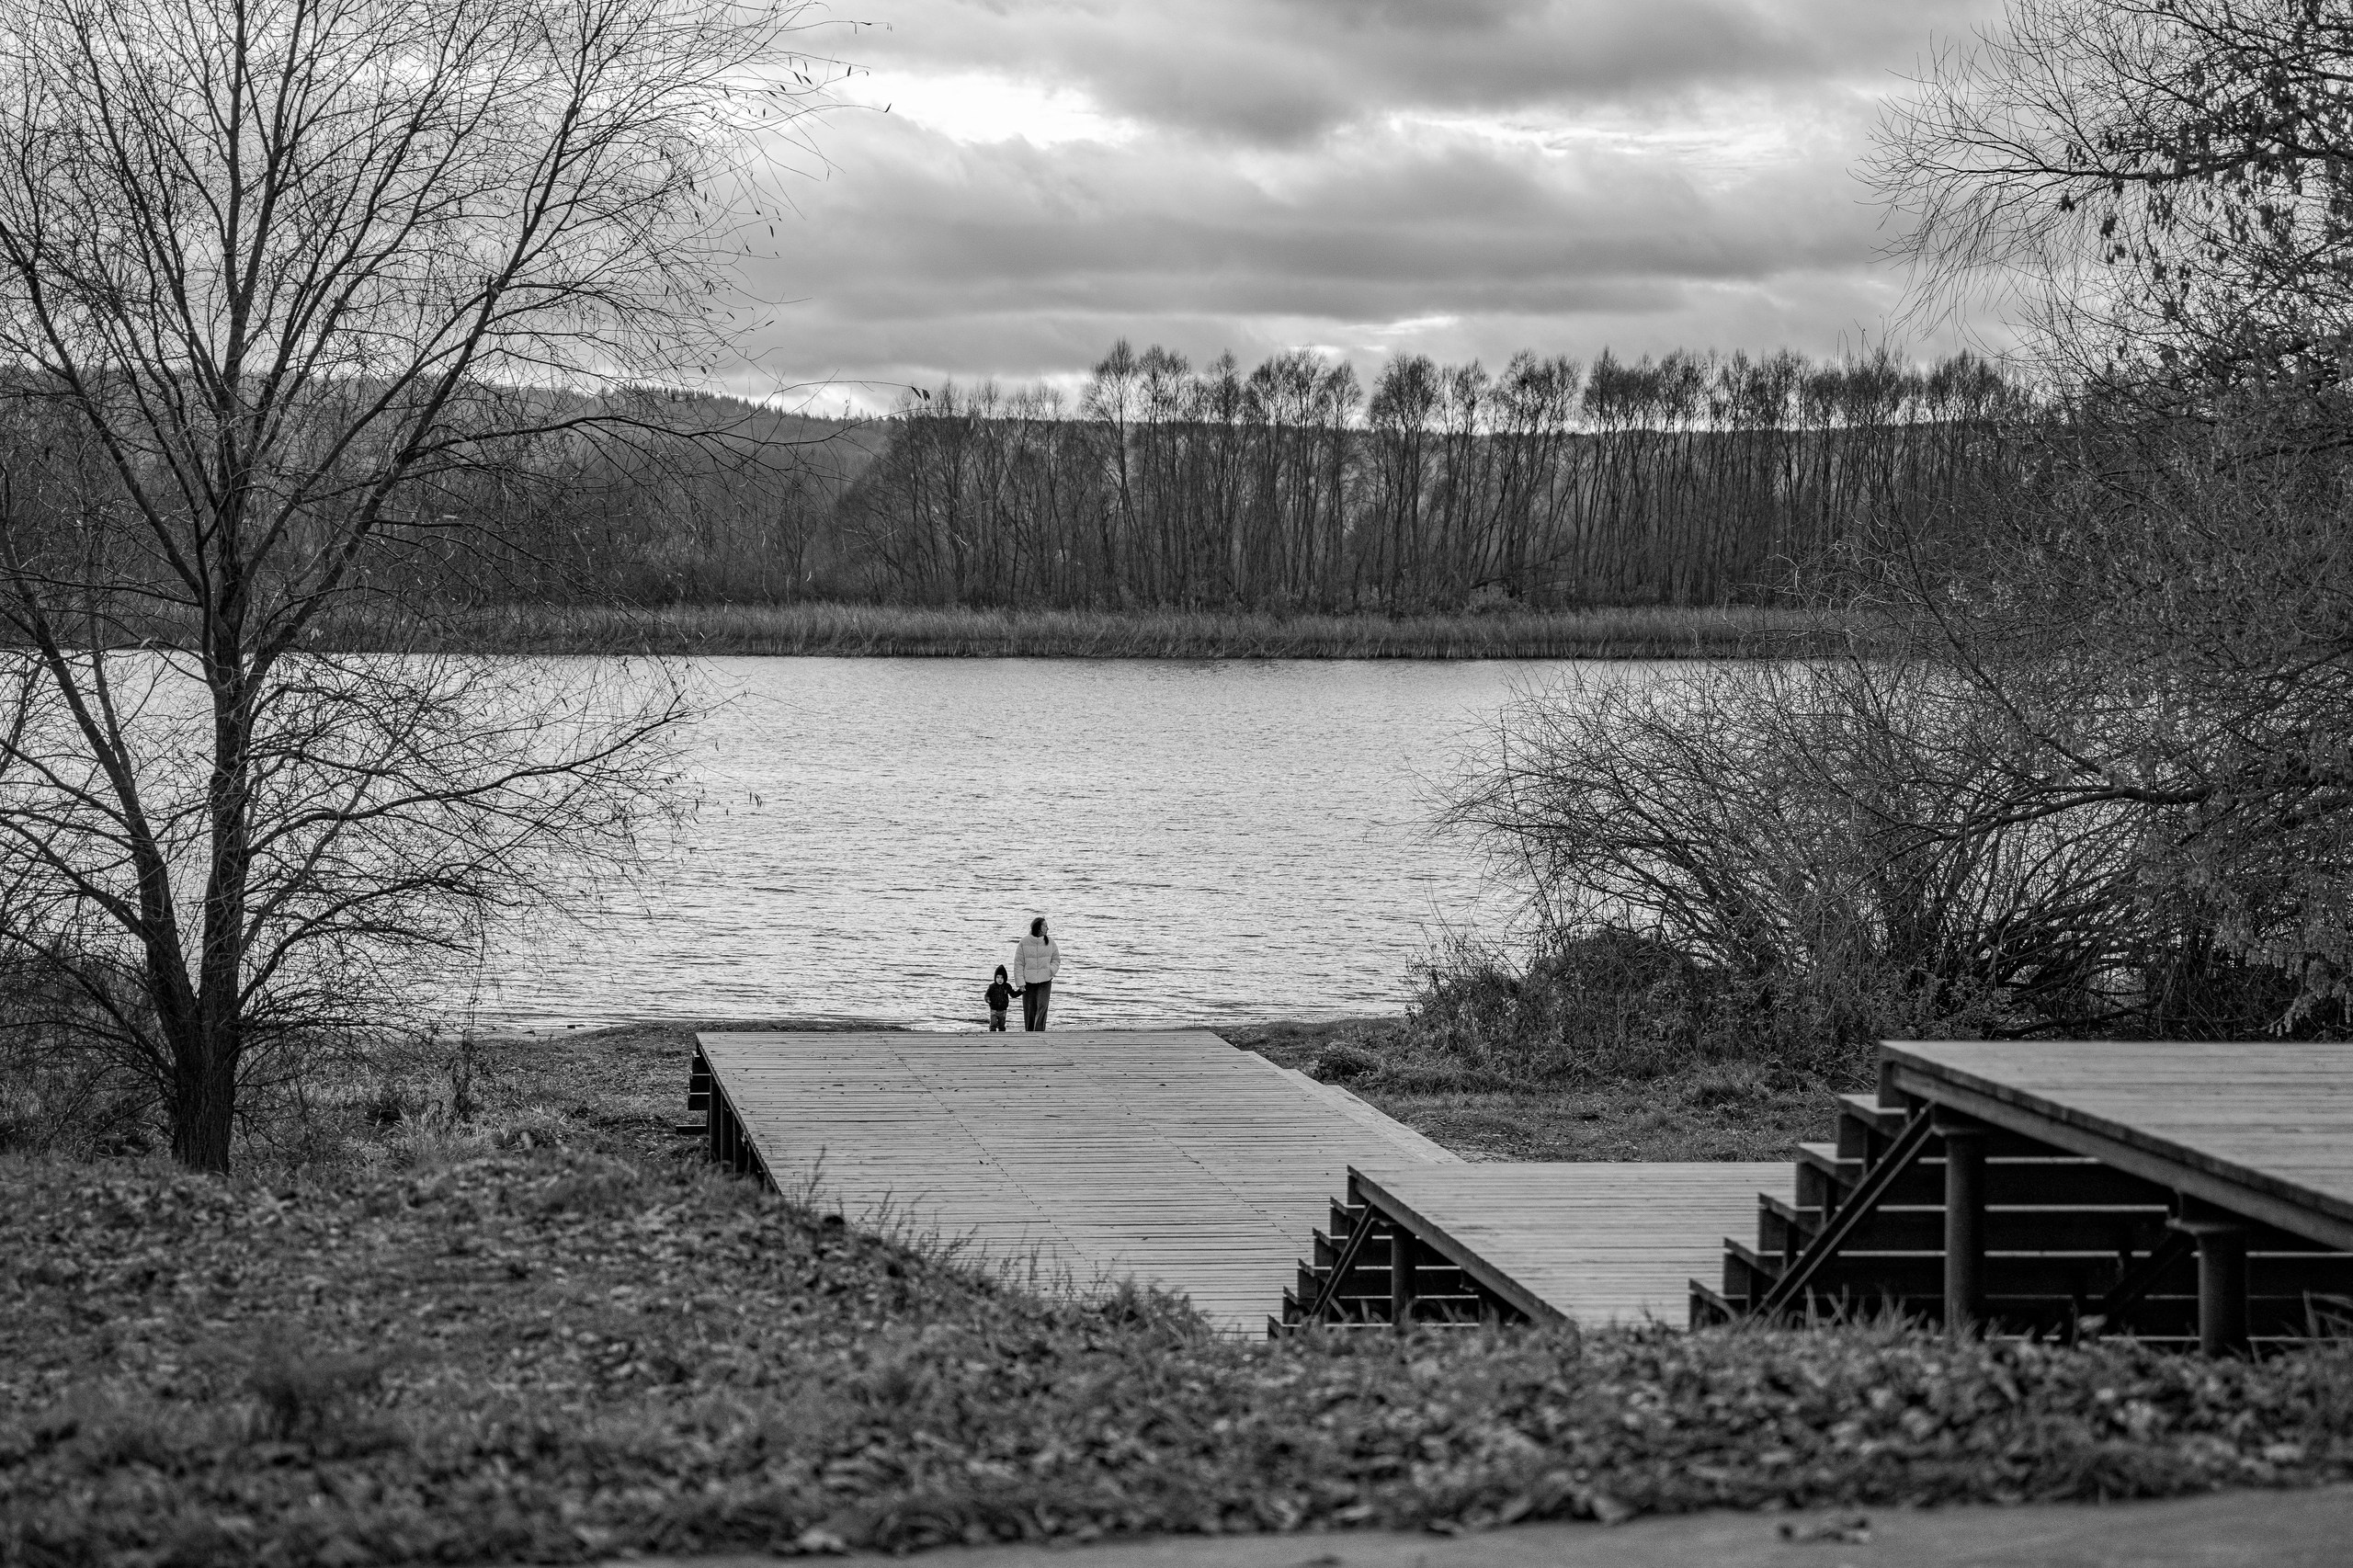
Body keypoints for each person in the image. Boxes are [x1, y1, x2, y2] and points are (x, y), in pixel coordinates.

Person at [1010, 916, 1059, 1030]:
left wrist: (1051, 970)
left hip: (1045, 980)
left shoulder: (1050, 942)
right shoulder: (1024, 942)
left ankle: (1039, 1032)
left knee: (1042, 1007)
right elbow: (1018, 964)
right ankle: (1029, 1033)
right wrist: (1020, 983)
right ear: (1038, 928)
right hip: (1028, 982)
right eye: (1045, 926)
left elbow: (1056, 959)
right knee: (1029, 1009)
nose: (1048, 928)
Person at [983, 965, 1016, 1032]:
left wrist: (1021, 991)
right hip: (994, 1009)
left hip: (1003, 1010)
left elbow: (1013, 994)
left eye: (1002, 977)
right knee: (993, 1024)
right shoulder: (992, 987)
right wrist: (987, 999)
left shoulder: (1007, 986)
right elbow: (987, 995)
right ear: (995, 978)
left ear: (1005, 978)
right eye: (998, 977)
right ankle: (992, 1034)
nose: (1000, 979)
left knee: (1002, 1025)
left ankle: (1002, 1035)